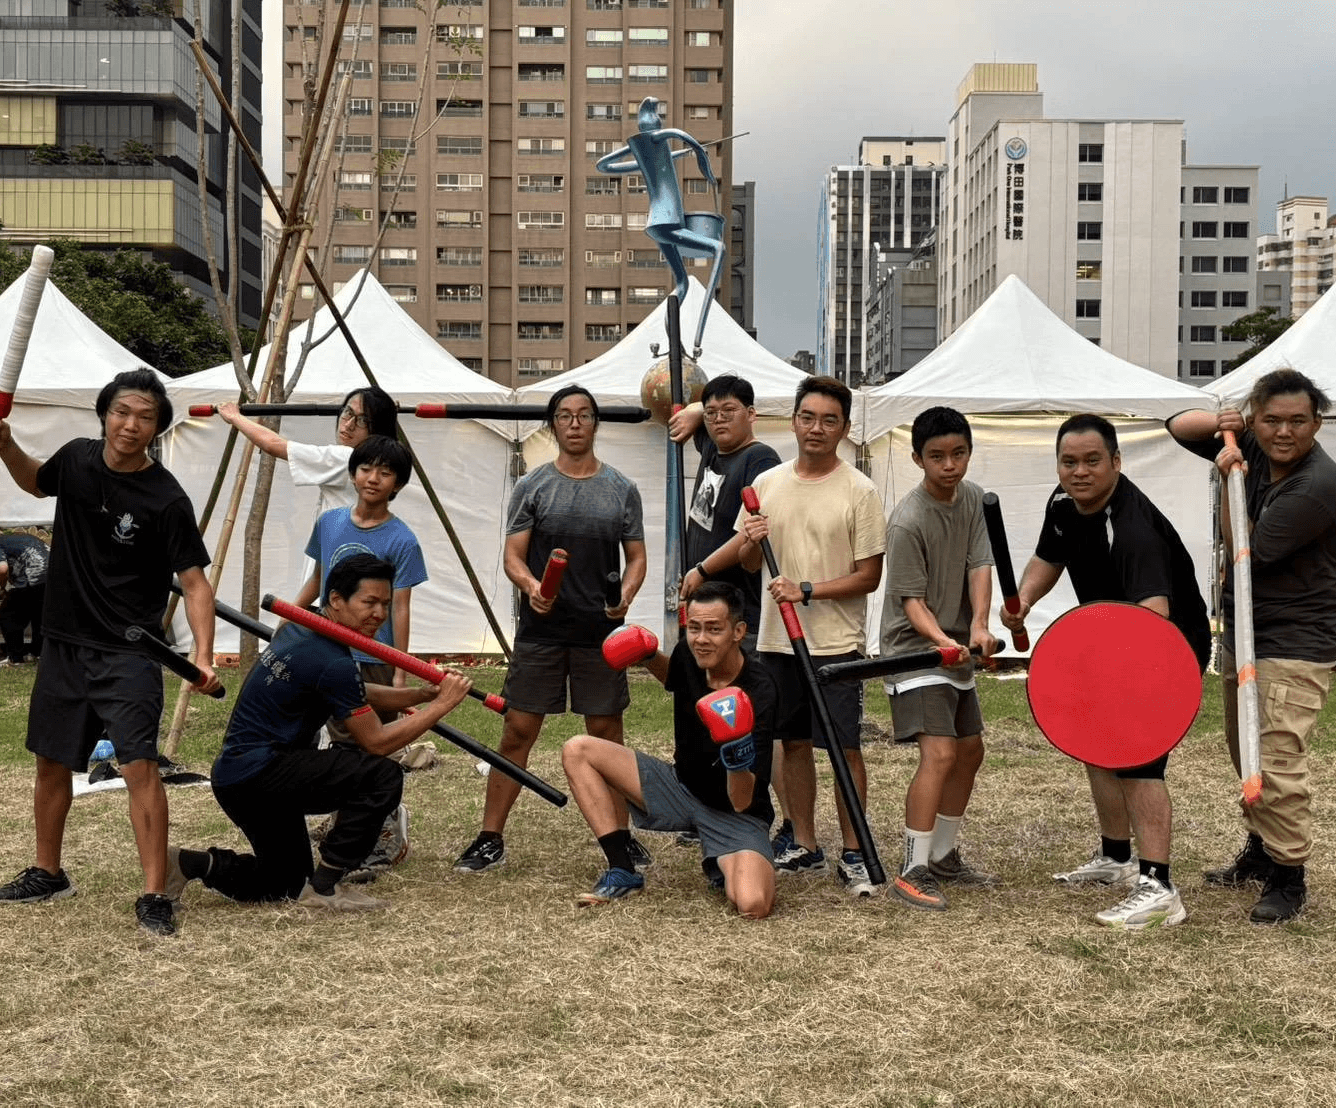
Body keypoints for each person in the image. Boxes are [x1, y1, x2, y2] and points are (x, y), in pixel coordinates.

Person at [0, 368, 221, 937]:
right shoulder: (75, 459)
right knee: (52, 760)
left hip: (129, 649)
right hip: (65, 642)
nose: (131, 425)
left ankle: (154, 893)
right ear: (104, 414)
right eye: (122, 412)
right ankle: (48, 872)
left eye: (145, 417)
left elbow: (195, 583)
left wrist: (203, 653)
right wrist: (5, 446)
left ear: (157, 429)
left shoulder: (166, 498)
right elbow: (32, 482)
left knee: (138, 765)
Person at [165, 554, 473, 911]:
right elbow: (376, 742)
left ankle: (188, 864)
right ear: (337, 600)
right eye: (369, 602)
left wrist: (420, 695)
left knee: (283, 883)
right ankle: (326, 888)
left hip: (237, 778)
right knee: (381, 776)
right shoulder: (331, 660)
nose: (379, 614)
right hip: (263, 774)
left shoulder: (301, 626)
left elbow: (347, 689)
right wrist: (440, 707)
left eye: (385, 604)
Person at [1002, 414, 1210, 930]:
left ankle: (1159, 887)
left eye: (1093, 461)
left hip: (1165, 646)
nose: (1079, 472)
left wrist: (1130, 689)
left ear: (1116, 462)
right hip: (1110, 639)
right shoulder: (1062, 502)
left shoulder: (1133, 528)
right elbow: (1046, 557)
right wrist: (1023, 601)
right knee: (1096, 742)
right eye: (1069, 462)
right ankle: (1117, 858)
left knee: (1138, 759)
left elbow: (1154, 619)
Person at [453, 385, 648, 873]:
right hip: (541, 630)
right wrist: (532, 585)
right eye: (565, 415)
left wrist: (625, 594)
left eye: (584, 415)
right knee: (518, 730)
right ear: (553, 425)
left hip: (598, 633)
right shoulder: (533, 486)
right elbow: (513, 557)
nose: (576, 423)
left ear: (595, 423)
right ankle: (489, 837)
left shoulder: (621, 489)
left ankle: (623, 840)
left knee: (606, 733)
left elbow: (637, 558)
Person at [1167, 367, 1336, 923]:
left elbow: (1249, 550)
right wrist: (1225, 422)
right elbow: (1175, 425)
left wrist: (1226, 479)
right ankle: (1263, 850)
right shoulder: (1258, 448)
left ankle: (1290, 875)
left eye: (1297, 421)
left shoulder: (1316, 485)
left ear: (1317, 422)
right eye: (1270, 420)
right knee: (1248, 751)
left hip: (1294, 641)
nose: (1283, 432)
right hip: (1246, 632)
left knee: (1278, 758)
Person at [710, 376, 885, 896]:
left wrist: (807, 590)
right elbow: (745, 560)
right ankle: (804, 842)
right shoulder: (768, 485)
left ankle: (855, 851)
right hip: (776, 639)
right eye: (808, 417)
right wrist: (751, 542)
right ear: (794, 421)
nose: (816, 428)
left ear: (845, 429)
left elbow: (869, 575)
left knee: (844, 747)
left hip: (835, 644)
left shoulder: (860, 490)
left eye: (829, 420)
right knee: (793, 744)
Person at [562, 583, 779, 918]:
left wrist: (736, 753)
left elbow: (742, 800)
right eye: (694, 628)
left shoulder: (759, 689)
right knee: (578, 750)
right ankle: (623, 868)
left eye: (714, 629)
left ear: (738, 632)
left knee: (752, 905)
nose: (702, 639)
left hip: (735, 813)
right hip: (680, 786)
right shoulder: (687, 655)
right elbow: (674, 677)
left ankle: (721, 862)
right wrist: (648, 656)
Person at [880, 408, 1000, 912]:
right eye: (936, 456)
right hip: (913, 648)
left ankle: (945, 855)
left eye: (958, 454)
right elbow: (911, 602)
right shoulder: (907, 520)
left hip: (955, 648)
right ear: (917, 459)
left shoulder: (974, 500)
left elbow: (980, 564)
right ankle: (912, 868)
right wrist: (939, 641)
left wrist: (978, 625)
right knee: (942, 754)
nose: (949, 465)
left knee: (970, 750)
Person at [292, 434, 427, 875]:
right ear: (353, 473)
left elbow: (401, 605)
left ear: (397, 485)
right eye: (366, 468)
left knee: (369, 749)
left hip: (374, 656)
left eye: (385, 472)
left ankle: (383, 836)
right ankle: (345, 822)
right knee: (333, 742)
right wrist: (289, 622)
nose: (373, 478)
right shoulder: (330, 523)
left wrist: (403, 672)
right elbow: (318, 582)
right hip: (326, 649)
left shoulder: (401, 539)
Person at [671, 373, 782, 648]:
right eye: (712, 414)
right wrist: (700, 409)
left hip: (738, 606)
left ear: (751, 414)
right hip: (705, 600)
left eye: (729, 411)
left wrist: (702, 569)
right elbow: (702, 410)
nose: (719, 419)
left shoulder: (759, 459)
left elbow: (751, 531)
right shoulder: (712, 447)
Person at [217, 386, 398, 518]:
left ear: (378, 427)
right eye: (348, 413)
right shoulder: (383, 460)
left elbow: (273, 444)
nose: (348, 425)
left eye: (362, 420)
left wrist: (235, 417)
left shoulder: (347, 458)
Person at [0, 529, 48, 665]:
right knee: (38, 615)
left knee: (8, 615)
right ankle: (37, 654)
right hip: (52, 577)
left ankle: (15, 658)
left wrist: (2, 587)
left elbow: (2, 569)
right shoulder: (18, 539)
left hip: (33, 576)